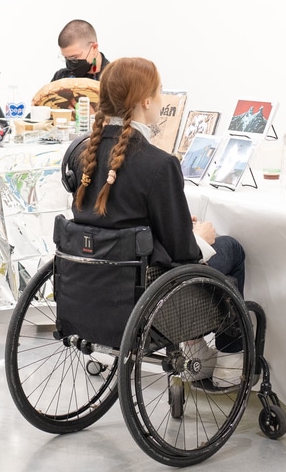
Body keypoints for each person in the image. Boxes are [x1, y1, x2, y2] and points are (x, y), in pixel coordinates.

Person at [62, 57, 247, 384]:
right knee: (230, 249)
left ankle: (198, 351)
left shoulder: (80, 153)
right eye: (159, 93)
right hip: (146, 292)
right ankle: (230, 364)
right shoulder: (158, 163)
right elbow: (183, 253)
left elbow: (111, 219)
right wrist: (199, 234)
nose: (162, 100)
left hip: (87, 287)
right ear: (146, 101)